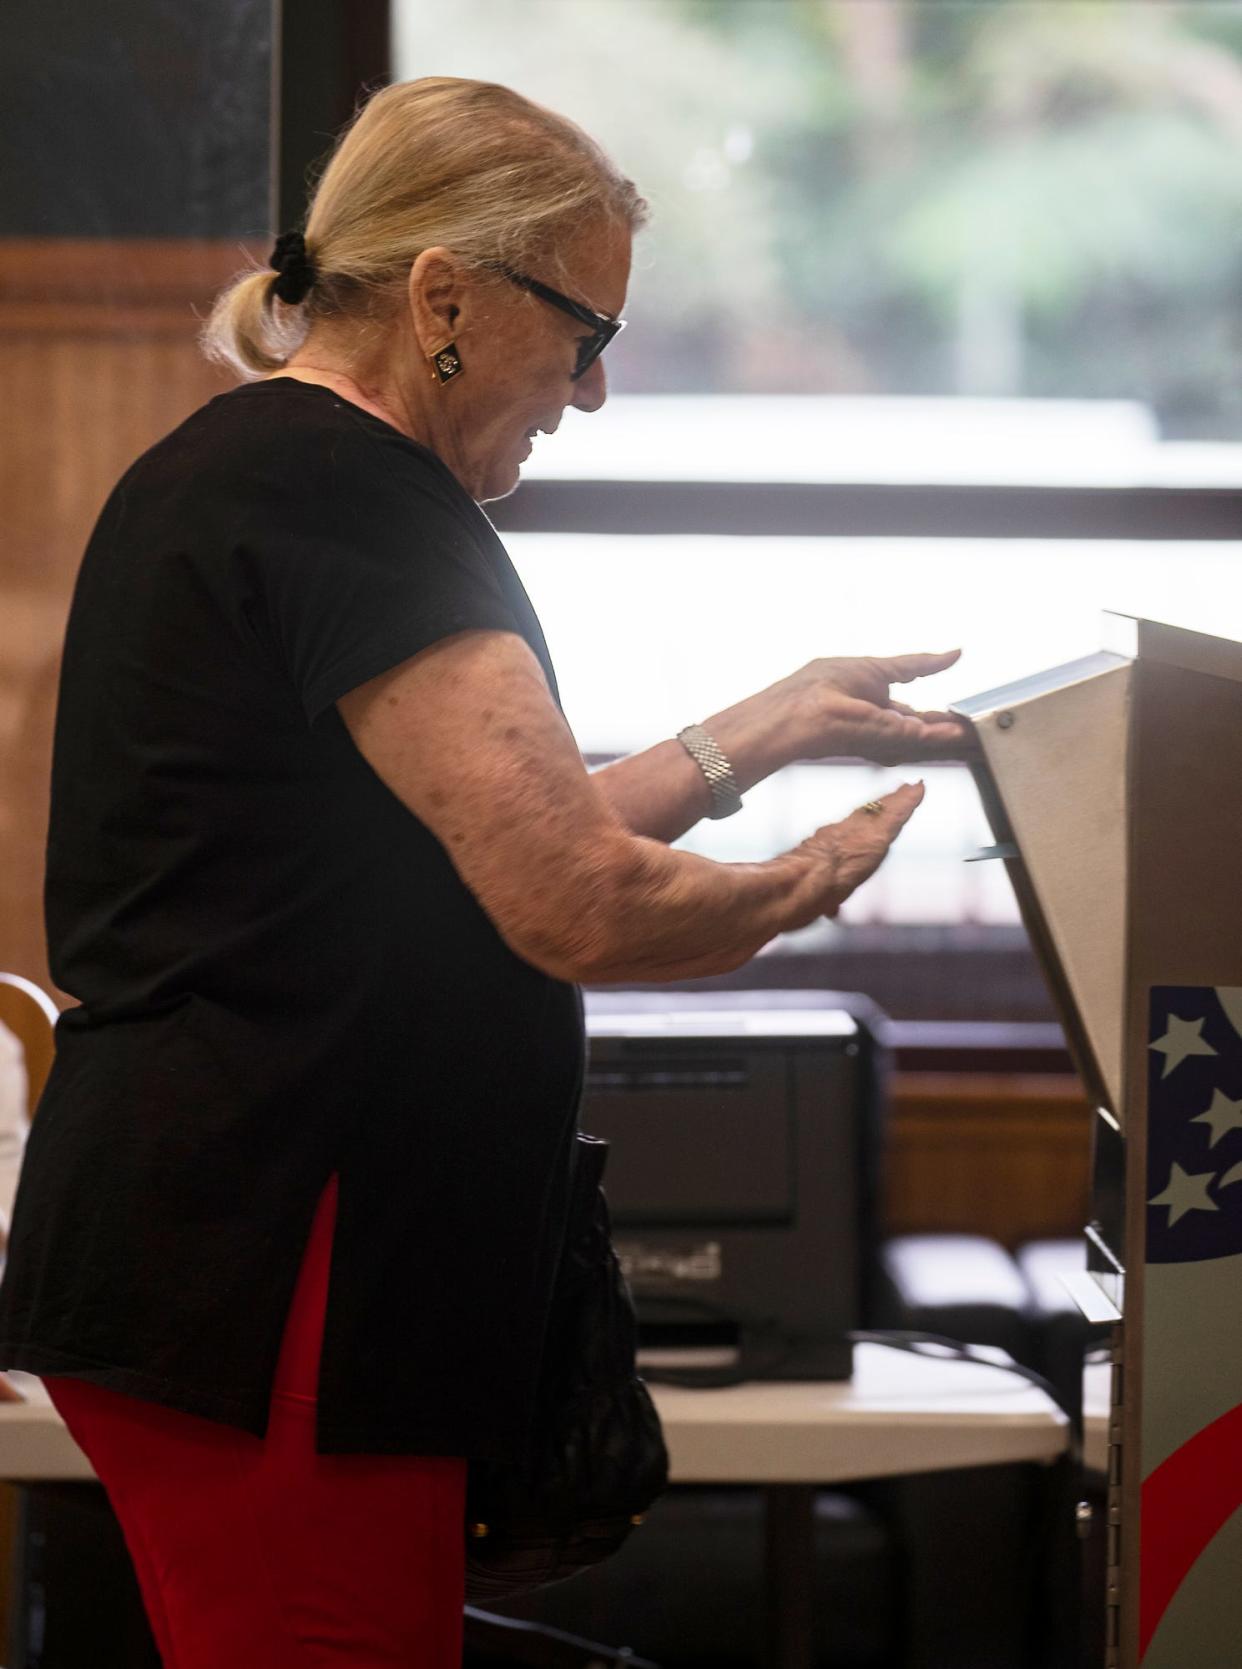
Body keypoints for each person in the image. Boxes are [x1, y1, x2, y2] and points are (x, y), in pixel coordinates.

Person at [0, 77, 971, 1669]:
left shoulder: (266, 472)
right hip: (283, 1259)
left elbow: (497, 830)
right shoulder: (348, 495)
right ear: (446, 294)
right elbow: (573, 896)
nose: (591, 393)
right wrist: (805, 882)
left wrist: (771, 723)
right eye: (583, 335)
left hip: (225, 1245)